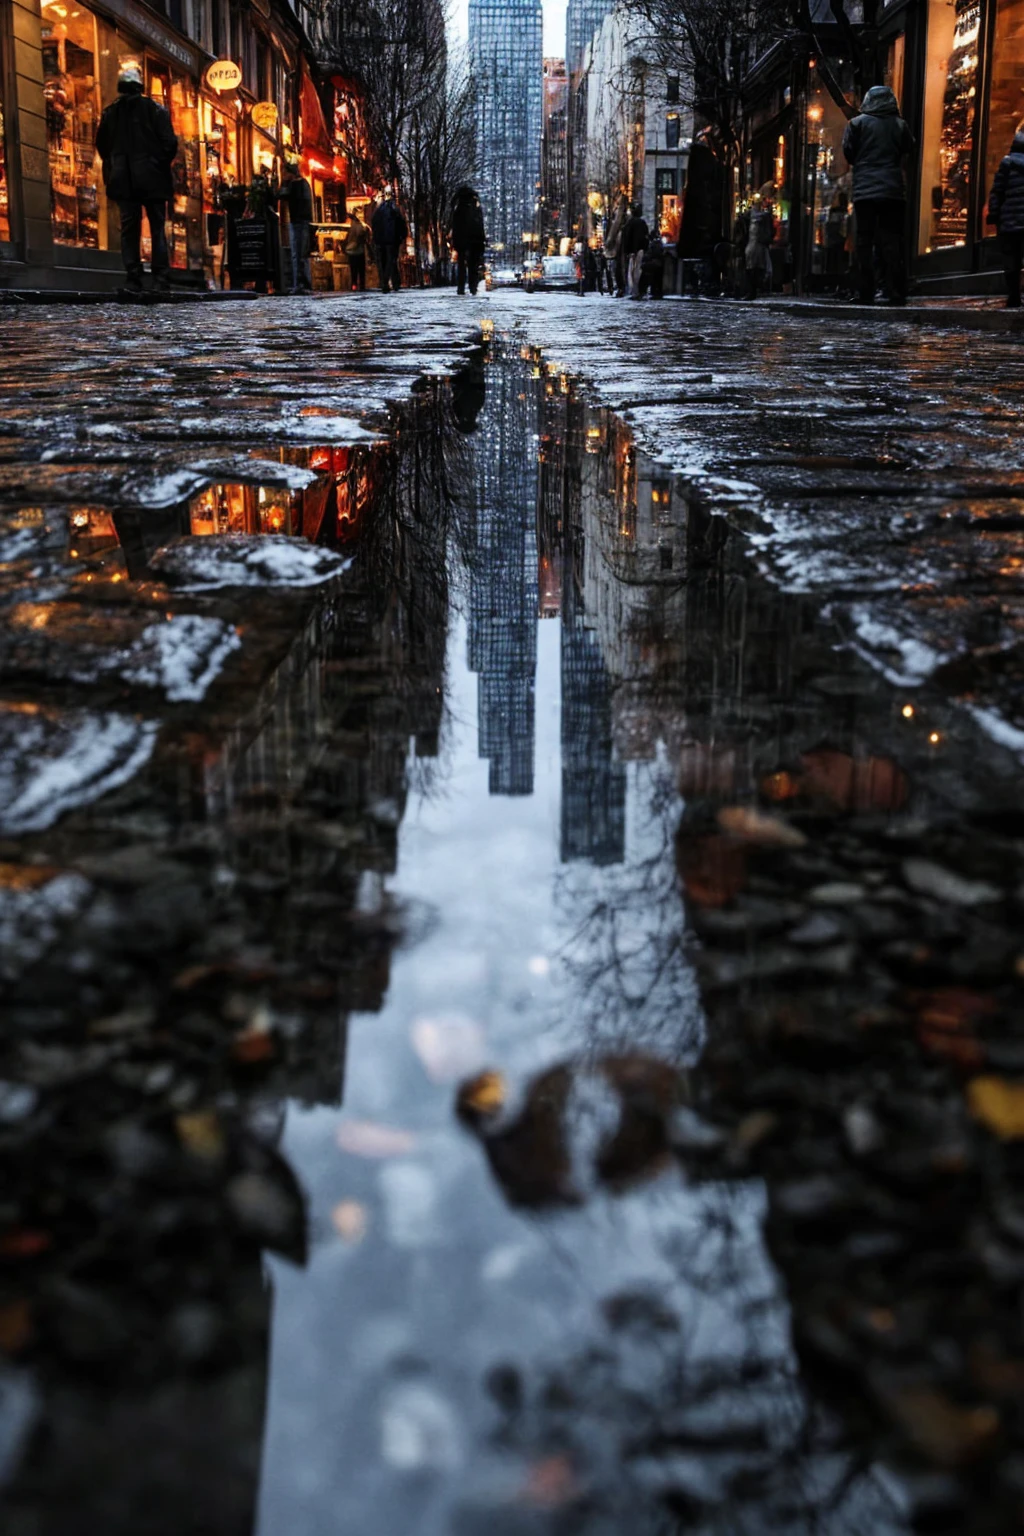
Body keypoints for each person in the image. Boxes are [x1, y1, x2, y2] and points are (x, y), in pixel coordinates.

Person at [95, 63, 177, 295]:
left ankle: (134, 276)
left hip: (123, 178)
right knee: (157, 227)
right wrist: (157, 163)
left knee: (129, 228)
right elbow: (169, 144)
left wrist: (115, 165)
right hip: (153, 179)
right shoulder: (156, 110)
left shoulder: (111, 113)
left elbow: (102, 146)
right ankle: (161, 277)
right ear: (140, 87)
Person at [842, 85, 915, 306]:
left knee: (864, 241)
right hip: (892, 190)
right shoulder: (900, 125)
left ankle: (866, 291)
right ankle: (896, 291)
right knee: (892, 240)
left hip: (865, 191)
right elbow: (908, 148)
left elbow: (849, 152)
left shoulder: (857, 124)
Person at [987, 128, 1024, 309]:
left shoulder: (1007, 163)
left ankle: (1014, 296)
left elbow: (997, 191)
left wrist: (994, 214)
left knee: (1011, 259)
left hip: (1010, 221)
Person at [277, 160, 314, 294]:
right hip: (303, 222)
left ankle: (299, 284)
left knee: (297, 254)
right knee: (302, 255)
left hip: (298, 222)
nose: (283, 175)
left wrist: (283, 183)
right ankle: (304, 284)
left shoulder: (295, 185)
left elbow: (281, 195)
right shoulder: (304, 184)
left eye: (284, 173)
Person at [450, 185, 486, 295]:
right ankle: (472, 287)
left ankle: (461, 288)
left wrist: (455, 241)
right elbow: (479, 225)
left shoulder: (458, 208)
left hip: (462, 241)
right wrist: (482, 240)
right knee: (473, 266)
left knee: (462, 265)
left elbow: (455, 226)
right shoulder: (475, 207)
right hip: (474, 241)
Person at [371, 194, 407, 292]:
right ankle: (392, 282)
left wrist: (376, 239)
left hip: (380, 241)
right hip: (392, 240)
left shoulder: (377, 212)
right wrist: (401, 237)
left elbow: (373, 225)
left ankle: (385, 282)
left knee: (383, 262)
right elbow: (402, 225)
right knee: (391, 261)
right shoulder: (395, 211)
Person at [744, 189, 775, 298]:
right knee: (752, 267)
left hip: (757, 244)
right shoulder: (754, 215)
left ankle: (754, 290)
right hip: (753, 243)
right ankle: (752, 290)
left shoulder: (762, 217)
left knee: (755, 267)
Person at [621, 203, 650, 297]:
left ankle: (633, 290)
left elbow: (626, 237)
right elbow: (646, 236)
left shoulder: (629, 223)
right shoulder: (642, 223)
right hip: (640, 249)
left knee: (632, 270)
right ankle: (636, 290)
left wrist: (628, 250)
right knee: (637, 269)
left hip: (632, 250)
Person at [344, 207, 371, 291]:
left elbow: (346, 237)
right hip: (359, 250)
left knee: (353, 270)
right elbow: (365, 235)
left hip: (351, 251)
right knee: (361, 270)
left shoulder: (349, 224)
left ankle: (354, 285)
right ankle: (362, 285)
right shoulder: (362, 225)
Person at [637, 233, 666, 298]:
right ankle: (655, 292)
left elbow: (649, 255)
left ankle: (643, 291)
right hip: (658, 263)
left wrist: (644, 261)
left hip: (654, 263)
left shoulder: (654, 244)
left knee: (644, 275)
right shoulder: (659, 244)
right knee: (656, 279)